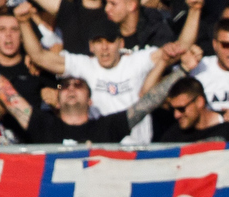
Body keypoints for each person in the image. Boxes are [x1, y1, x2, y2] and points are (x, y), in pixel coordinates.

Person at [17, 2, 200, 144]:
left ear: (121, 44)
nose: (104, 48)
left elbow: (181, 47)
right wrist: (24, 23)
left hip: (139, 149)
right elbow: (39, 57)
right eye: (98, 42)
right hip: (103, 151)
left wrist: (195, 10)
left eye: (110, 41)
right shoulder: (83, 65)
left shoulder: (137, 60)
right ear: (91, 46)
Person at [0, 29, 185, 141]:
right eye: (65, 86)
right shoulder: (43, 126)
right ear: (56, 100)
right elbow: (5, 92)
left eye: (78, 85)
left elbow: (149, 102)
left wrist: (181, 71)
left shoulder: (106, 128)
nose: (69, 88)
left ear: (91, 100)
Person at [161, 72, 229, 136]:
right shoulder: (173, 137)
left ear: (199, 102)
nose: (176, 115)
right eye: (173, 109)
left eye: (181, 109)